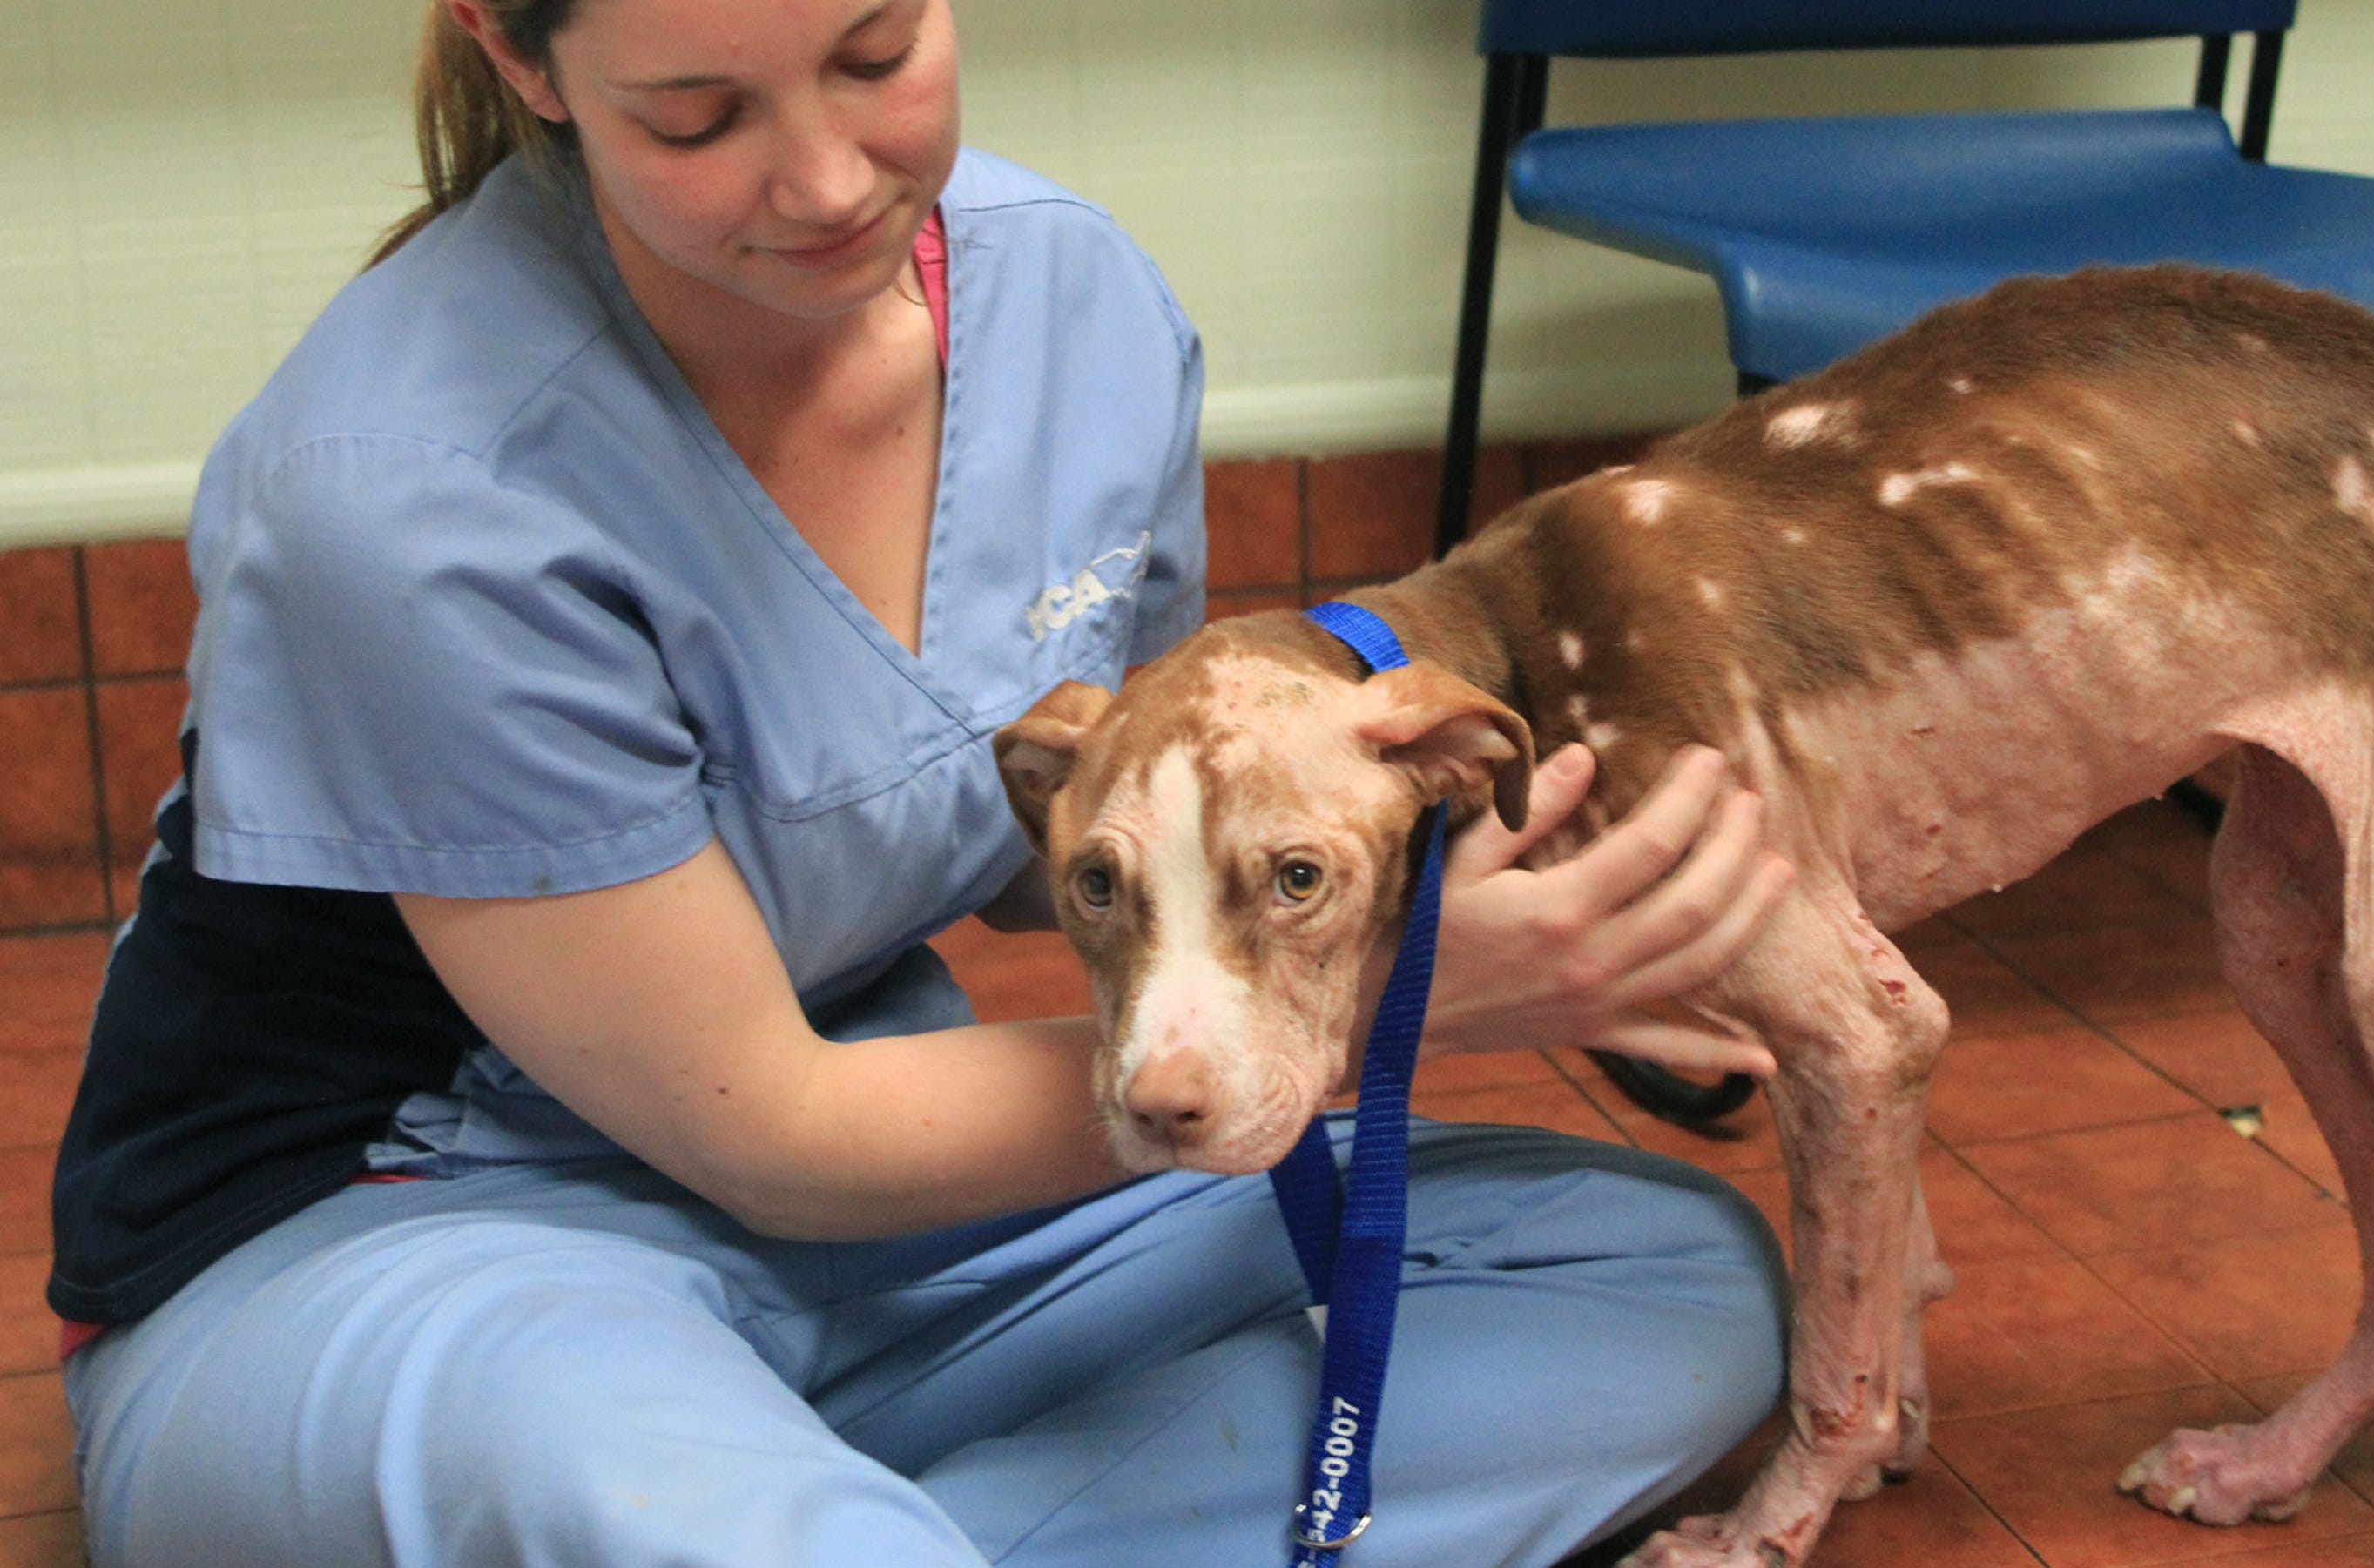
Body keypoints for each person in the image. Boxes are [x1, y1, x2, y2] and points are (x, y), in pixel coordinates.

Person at [50, 2, 1795, 1563]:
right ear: (522, 60)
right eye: (695, 116)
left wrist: (1365, 876)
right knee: (646, 1479)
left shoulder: (1075, 303)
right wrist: (1373, 1010)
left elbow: (1064, 857)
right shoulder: (408, 489)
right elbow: (772, 1134)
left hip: (899, 1212)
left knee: (1668, 1276)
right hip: (420, 1235)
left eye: (877, 56)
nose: (824, 180)